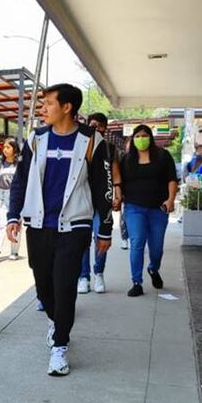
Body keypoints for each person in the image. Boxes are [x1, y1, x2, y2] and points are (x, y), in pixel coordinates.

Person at [7, 83, 113, 376]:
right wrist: (13, 215)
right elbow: (21, 179)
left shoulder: (92, 140)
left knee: (65, 285)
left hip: (74, 225)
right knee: (44, 286)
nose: (43, 108)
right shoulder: (37, 139)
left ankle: (60, 345)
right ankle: (57, 322)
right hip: (39, 224)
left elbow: (102, 187)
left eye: (48, 103)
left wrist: (105, 229)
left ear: (67, 107)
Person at [117, 124, 178, 297]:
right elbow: (118, 181)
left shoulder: (163, 156)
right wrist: (118, 196)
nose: (140, 139)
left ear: (150, 138)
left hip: (158, 209)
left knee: (156, 247)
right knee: (137, 243)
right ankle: (136, 282)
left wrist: (170, 200)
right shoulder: (126, 159)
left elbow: (172, 179)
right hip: (134, 208)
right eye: (137, 136)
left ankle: (153, 269)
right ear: (132, 139)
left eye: (144, 136)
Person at [78, 113, 121, 294]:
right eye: (92, 124)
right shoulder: (80, 145)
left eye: (99, 125)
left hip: (102, 201)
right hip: (81, 200)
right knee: (82, 239)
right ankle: (83, 276)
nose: (95, 128)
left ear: (105, 128)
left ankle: (99, 273)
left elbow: (115, 174)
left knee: (101, 237)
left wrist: (117, 195)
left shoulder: (110, 149)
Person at [0, 137, 21, 261]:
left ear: (14, 149)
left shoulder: (20, 165)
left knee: (16, 224)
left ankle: (14, 251)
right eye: (4, 147)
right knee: (1, 223)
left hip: (16, 196)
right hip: (2, 195)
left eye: (8, 147)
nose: (5, 150)